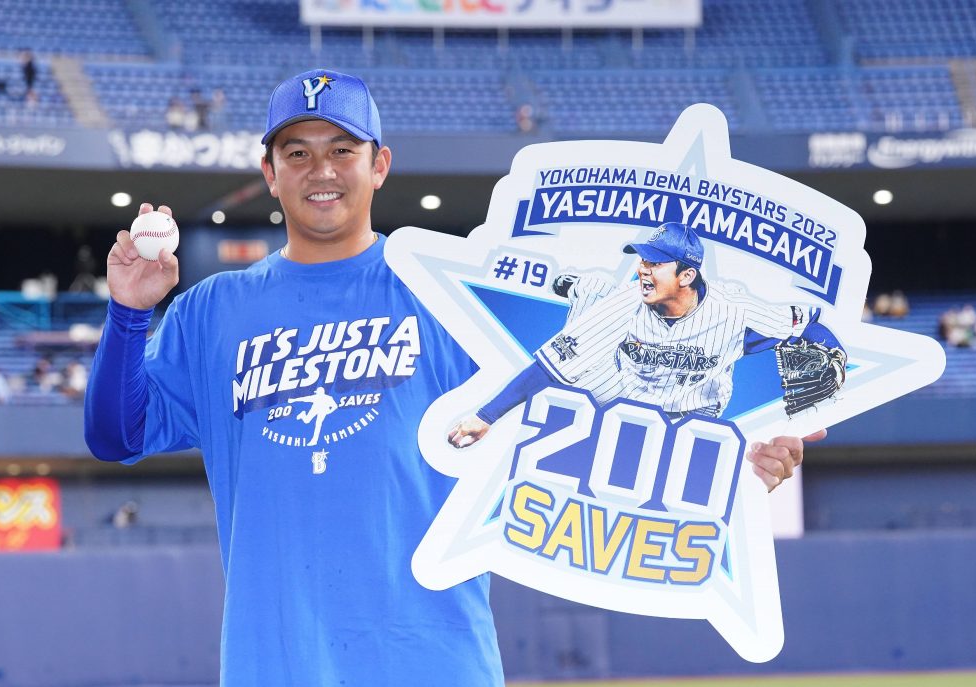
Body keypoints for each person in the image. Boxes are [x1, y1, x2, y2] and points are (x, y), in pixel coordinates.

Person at [84, 69, 817, 685]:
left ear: (380, 164)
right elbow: (116, 436)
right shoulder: (214, 311)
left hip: (431, 658)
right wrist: (127, 314)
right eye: (298, 152)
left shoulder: (449, 291)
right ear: (269, 172)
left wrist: (740, 447)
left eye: (344, 148)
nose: (322, 169)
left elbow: (608, 394)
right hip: (277, 662)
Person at [448, 223, 837, 489]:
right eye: (642, 261)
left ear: (686, 276)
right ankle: (579, 288)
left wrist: (831, 359)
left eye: (655, 263)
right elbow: (550, 367)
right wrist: (486, 416)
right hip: (622, 395)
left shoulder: (734, 310)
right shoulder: (626, 302)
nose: (643, 271)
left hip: (695, 419)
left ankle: (582, 287)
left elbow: (807, 323)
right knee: (597, 293)